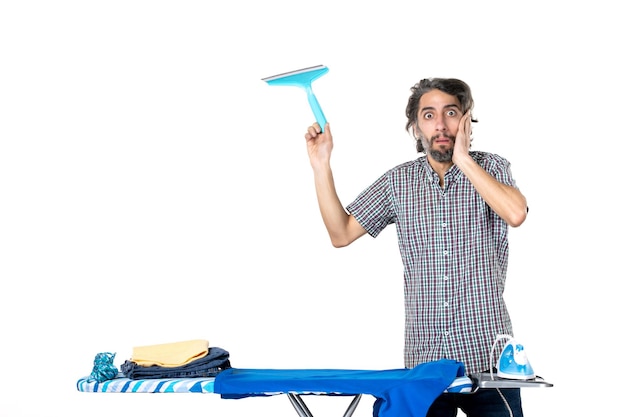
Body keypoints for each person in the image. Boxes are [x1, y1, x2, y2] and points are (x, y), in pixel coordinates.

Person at [303, 77, 528, 417]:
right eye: (428, 115)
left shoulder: (492, 167)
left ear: (467, 119)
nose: (440, 124)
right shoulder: (398, 182)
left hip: (489, 363)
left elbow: (515, 213)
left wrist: (463, 158)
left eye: (451, 113)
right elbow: (341, 233)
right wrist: (322, 165)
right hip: (425, 362)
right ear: (415, 127)